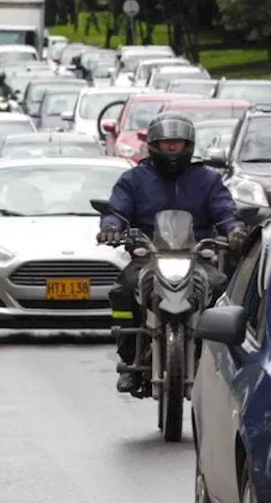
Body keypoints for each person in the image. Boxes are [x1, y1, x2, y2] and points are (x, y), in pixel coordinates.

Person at [96, 116, 249, 395]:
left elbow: (226, 212)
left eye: (177, 144)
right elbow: (117, 211)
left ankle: (213, 358)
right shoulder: (134, 179)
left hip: (198, 256)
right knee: (123, 290)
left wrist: (236, 230)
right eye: (166, 144)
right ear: (154, 146)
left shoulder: (207, 180)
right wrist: (111, 228)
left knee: (221, 289)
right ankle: (129, 355)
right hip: (148, 256)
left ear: (188, 146)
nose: (171, 150)